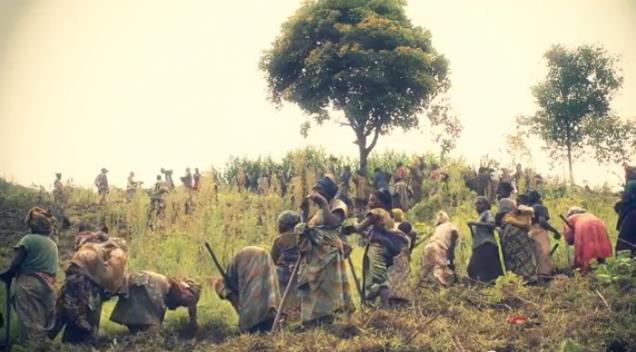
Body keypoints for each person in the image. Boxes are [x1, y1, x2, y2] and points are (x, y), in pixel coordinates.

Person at [297, 177, 353, 326]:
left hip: (329, 252)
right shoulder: (317, 212)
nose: (314, 191)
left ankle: (329, 317)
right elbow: (308, 227)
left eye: (318, 188)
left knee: (327, 284)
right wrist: (304, 211)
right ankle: (313, 319)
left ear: (327, 191)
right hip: (314, 253)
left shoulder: (338, 205)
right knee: (314, 285)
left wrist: (322, 204)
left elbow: (333, 222)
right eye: (313, 188)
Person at [0, 207, 58, 349]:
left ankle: (30, 347)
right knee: (42, 320)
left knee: (30, 321)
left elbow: (15, 263)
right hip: (49, 286)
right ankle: (41, 347)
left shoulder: (28, 240)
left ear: (32, 225)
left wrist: (7, 275)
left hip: (29, 284)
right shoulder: (52, 244)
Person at [214, 246, 281, 333]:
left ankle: (253, 325)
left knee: (252, 321)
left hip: (256, 312)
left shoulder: (230, 279)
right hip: (271, 311)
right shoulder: (233, 277)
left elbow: (226, 288)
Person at [110, 271, 201, 333]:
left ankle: (138, 334)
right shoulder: (166, 291)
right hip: (145, 286)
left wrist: (193, 322)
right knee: (153, 330)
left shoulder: (173, 287)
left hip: (139, 281)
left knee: (146, 327)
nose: (178, 307)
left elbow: (190, 305)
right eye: (183, 303)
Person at [270, 211, 301, 318]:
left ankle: (284, 312)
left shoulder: (279, 240)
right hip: (300, 272)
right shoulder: (302, 238)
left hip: (283, 274)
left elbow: (273, 259)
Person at [498, 199, 537, 282]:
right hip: (518, 239)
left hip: (513, 240)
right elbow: (527, 225)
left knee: (514, 259)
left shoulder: (507, 219)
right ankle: (527, 278)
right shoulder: (512, 217)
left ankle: (518, 279)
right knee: (522, 258)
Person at [564, 207, 613, 273]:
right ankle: (603, 265)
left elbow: (569, 239)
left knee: (584, 248)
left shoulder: (570, 218)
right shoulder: (590, 215)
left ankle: (584, 270)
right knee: (599, 244)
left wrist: (571, 240)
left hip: (583, 226)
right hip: (599, 224)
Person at [467, 196, 503, 283]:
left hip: (487, 244)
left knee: (486, 270)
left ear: (486, 205)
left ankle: (491, 289)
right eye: (476, 204)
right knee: (473, 269)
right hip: (479, 245)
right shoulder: (479, 218)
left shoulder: (487, 213)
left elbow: (492, 225)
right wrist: (471, 227)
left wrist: (474, 223)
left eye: (480, 203)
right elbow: (476, 235)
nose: (477, 206)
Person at [419, 211, 459, 287]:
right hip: (439, 247)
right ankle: (441, 286)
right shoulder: (451, 225)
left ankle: (422, 283)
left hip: (429, 246)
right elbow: (454, 231)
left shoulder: (437, 227)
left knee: (427, 267)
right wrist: (452, 243)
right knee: (440, 267)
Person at [527, 191, 557, 279]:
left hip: (530, 232)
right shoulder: (540, 207)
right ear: (539, 198)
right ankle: (544, 274)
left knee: (535, 254)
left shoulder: (529, 209)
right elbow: (542, 222)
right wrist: (555, 231)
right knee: (544, 252)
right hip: (540, 231)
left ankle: (537, 274)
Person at [615, 165, 636, 255]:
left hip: (632, 213)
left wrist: (620, 200)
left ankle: (623, 265)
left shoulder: (631, 183)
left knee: (624, 242)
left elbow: (626, 198)